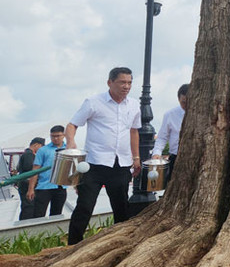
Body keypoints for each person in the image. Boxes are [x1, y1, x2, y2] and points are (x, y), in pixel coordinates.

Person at [65, 67, 141, 245]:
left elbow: (134, 132)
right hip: (94, 163)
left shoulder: (134, 105)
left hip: (120, 163)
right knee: (85, 206)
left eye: (129, 82)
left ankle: (120, 245)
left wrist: (136, 158)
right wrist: (71, 143)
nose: (126, 86)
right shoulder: (93, 102)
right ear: (110, 82)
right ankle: (72, 245)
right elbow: (72, 124)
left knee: (121, 206)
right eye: (122, 82)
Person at [27, 126, 68, 218]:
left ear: (63, 135)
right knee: (38, 214)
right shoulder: (43, 150)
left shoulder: (68, 149)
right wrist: (31, 189)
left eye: (58, 136)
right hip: (44, 187)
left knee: (57, 214)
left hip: (61, 186)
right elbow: (35, 170)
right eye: (53, 136)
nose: (55, 138)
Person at [151, 83, 189, 182]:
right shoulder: (170, 114)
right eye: (183, 102)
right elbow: (162, 137)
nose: (186, 106)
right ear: (179, 99)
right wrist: (156, 153)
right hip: (176, 157)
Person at [15, 137, 45, 220]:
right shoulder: (29, 155)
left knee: (28, 206)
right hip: (26, 184)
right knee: (28, 207)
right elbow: (30, 169)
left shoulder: (24, 154)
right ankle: (25, 226)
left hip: (24, 183)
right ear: (36, 145)